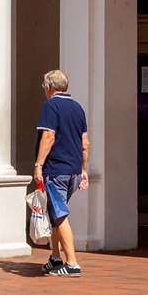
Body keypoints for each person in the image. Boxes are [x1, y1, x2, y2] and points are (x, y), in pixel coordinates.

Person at [33, 69, 89, 277]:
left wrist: (39, 164)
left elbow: (48, 137)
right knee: (55, 214)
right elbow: (85, 143)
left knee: (60, 214)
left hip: (56, 170)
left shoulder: (51, 105)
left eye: (44, 87)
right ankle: (55, 258)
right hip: (73, 170)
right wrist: (83, 170)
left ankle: (72, 263)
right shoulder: (78, 108)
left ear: (49, 87)